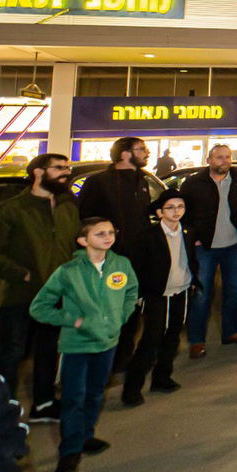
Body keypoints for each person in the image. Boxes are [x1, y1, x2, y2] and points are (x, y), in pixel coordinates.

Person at [29, 217, 138, 472]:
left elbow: (131, 291)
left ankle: (86, 435)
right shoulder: (68, 271)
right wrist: (73, 320)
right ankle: (70, 450)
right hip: (77, 346)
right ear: (83, 240)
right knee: (73, 398)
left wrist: (120, 317)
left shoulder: (121, 264)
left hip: (108, 343)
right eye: (100, 234)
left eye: (111, 232)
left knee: (95, 393)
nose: (108, 237)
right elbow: (39, 307)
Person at [0, 153, 78, 422]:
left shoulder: (67, 206)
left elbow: (74, 245)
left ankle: (44, 404)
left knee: (49, 350)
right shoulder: (10, 210)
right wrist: (23, 274)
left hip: (57, 295)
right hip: (20, 295)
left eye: (67, 167)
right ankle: (5, 412)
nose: (66, 172)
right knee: (12, 354)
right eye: (59, 168)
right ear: (38, 172)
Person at [179, 144, 237, 357]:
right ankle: (196, 340)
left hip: (234, 247)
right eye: (219, 157)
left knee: (234, 291)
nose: (224, 161)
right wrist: (194, 238)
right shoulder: (193, 183)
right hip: (205, 248)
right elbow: (184, 214)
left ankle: (231, 332)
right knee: (201, 294)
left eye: (227, 157)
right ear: (209, 160)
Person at [77, 137, 153, 371]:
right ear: (124, 154)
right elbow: (86, 219)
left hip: (137, 259)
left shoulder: (142, 180)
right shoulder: (99, 182)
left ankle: (122, 359)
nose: (146, 153)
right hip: (109, 259)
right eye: (141, 149)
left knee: (131, 309)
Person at [122, 190, 195, 405]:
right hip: (157, 295)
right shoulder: (148, 236)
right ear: (159, 212)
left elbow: (191, 258)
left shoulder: (189, 232)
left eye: (180, 207)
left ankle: (162, 377)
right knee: (150, 340)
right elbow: (137, 266)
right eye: (170, 208)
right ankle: (132, 388)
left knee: (173, 337)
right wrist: (138, 294)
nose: (176, 212)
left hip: (182, 291)